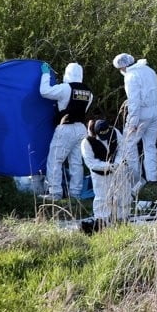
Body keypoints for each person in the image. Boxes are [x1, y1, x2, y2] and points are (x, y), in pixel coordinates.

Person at [37, 62, 94, 200]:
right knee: (76, 162)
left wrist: (45, 74)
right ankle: (75, 193)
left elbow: (44, 91)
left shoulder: (65, 88)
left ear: (67, 73)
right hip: (81, 128)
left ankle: (55, 193)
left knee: (55, 160)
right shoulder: (88, 92)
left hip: (65, 128)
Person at [113, 53, 157, 190]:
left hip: (141, 114)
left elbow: (134, 102)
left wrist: (132, 123)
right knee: (150, 145)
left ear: (122, 66)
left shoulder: (130, 76)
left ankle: (136, 179)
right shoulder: (149, 70)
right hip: (155, 110)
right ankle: (153, 179)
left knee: (129, 144)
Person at [80, 119, 131, 228]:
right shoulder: (87, 142)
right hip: (100, 174)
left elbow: (122, 148)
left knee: (124, 192)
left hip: (118, 168)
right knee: (102, 197)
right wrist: (107, 166)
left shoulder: (114, 132)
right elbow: (91, 163)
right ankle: (102, 220)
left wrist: (117, 162)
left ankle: (122, 217)